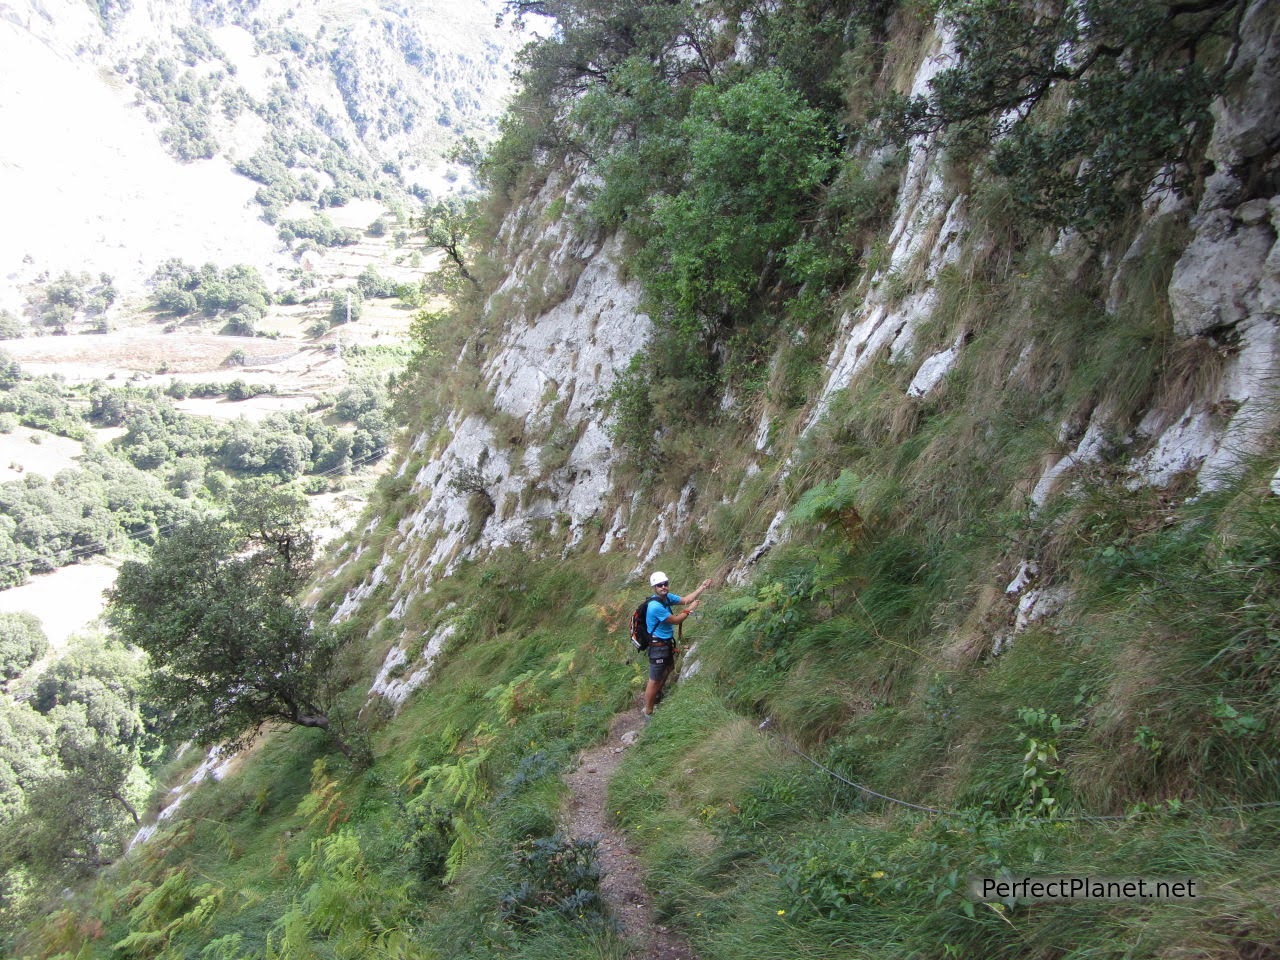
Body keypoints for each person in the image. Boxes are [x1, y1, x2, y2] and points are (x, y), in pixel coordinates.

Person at [643, 570, 713, 717]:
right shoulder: (655, 606)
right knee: (654, 680)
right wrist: (690, 610)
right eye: (659, 585)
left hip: (666, 644)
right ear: (654, 588)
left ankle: (657, 696)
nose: (663, 587)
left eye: (665, 584)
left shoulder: (667, 597)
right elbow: (676, 620)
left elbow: (686, 599)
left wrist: (702, 587)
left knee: (668, 669)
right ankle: (648, 711)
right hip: (657, 647)